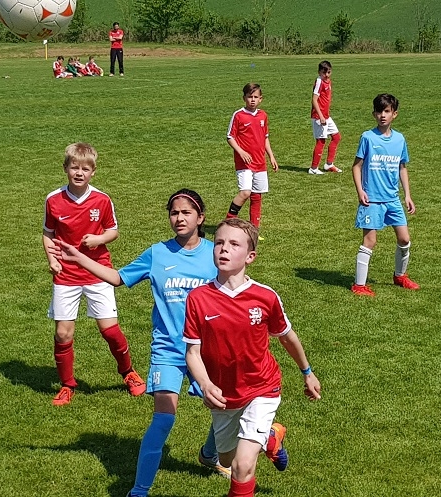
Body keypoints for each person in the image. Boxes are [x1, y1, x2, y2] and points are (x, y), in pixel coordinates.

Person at [50, 189, 230, 495]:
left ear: (200, 218)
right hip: (168, 350)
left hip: (206, 351)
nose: (179, 218)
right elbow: (118, 278)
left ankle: (209, 454)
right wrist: (79, 258)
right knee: (162, 420)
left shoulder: (216, 254)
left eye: (186, 213)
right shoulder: (157, 254)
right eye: (174, 213)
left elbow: (233, 295)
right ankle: (139, 490)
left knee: (224, 408)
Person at [184, 218, 322, 497]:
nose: (224, 249)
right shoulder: (198, 298)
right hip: (224, 395)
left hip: (262, 387)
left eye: (234, 244)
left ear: (250, 257)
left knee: (242, 466)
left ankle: (259, 438)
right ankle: (270, 437)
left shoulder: (265, 297)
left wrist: (307, 372)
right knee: (226, 460)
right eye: (219, 242)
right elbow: (193, 353)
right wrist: (206, 384)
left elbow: (287, 337)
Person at [41, 142, 145, 406]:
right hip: (66, 275)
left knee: (110, 331)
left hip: (98, 272)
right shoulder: (53, 200)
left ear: (93, 172)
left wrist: (99, 239)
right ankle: (67, 385)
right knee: (63, 334)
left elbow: (113, 231)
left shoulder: (102, 200)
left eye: (85, 169)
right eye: (74, 167)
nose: (79, 173)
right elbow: (48, 233)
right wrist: (52, 260)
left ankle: (128, 372)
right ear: (65, 168)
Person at [350, 93, 420, 297]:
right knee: (370, 241)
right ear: (374, 114)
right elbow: (356, 166)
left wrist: (407, 195)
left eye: (387, 111)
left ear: (394, 114)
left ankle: (400, 276)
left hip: (392, 199)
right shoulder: (368, 137)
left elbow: (402, 167)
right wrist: (360, 191)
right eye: (379, 111)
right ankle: (359, 285)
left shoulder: (400, 139)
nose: (383, 115)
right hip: (372, 200)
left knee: (404, 239)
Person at [225, 83, 279, 237]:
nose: (253, 100)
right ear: (244, 98)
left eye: (256, 97)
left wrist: (271, 156)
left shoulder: (263, 116)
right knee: (245, 192)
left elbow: (265, 137)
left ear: (261, 99)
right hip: (245, 163)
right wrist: (241, 152)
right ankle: (228, 223)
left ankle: (254, 230)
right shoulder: (238, 115)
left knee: (257, 196)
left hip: (260, 162)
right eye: (250, 97)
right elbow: (230, 137)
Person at [309, 60, 342, 175]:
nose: (327, 75)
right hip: (319, 117)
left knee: (336, 137)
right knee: (321, 141)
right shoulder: (319, 82)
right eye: (324, 73)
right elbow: (314, 100)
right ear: (319, 72)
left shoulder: (328, 81)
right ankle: (313, 168)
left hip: (326, 116)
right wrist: (321, 116)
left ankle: (329, 164)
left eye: (329, 72)